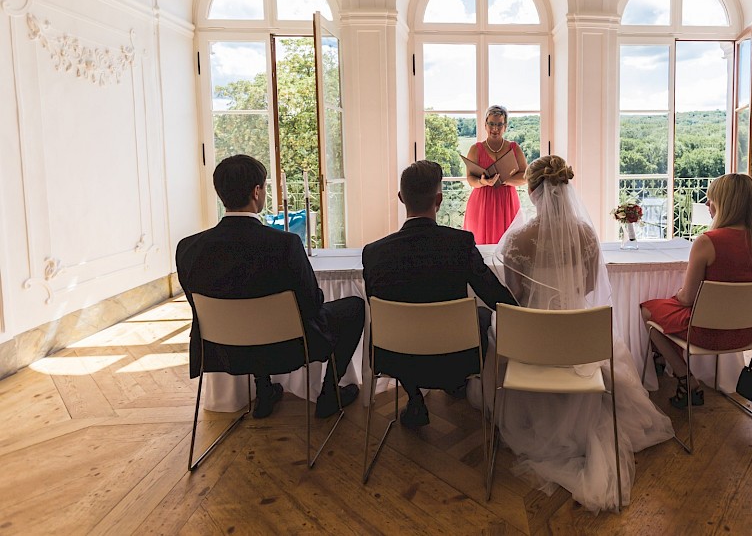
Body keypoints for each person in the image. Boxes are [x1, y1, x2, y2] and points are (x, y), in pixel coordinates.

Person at [492, 155, 673, 513]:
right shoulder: (586, 234)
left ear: (531, 191)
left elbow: (513, 295)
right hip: (580, 342)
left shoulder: (518, 238)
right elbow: (590, 286)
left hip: (534, 344)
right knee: (601, 345)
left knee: (496, 334)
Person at [177, 155, 364, 419]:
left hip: (221, 350)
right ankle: (329, 395)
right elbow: (312, 304)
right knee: (354, 307)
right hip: (289, 348)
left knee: (246, 314)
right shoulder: (284, 244)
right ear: (257, 191)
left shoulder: (188, 248)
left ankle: (264, 391)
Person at [362, 160, 517, 429]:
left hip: (395, 357)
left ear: (401, 198)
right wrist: (526, 312)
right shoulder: (459, 244)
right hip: (456, 357)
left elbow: (375, 303)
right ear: (439, 200)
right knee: (480, 315)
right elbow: (494, 296)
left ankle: (414, 396)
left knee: (398, 319)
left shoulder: (374, 253)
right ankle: (456, 384)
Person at [641, 173, 752, 409]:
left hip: (708, 333)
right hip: (747, 333)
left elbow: (687, 299)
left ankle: (685, 377)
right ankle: (675, 371)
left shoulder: (707, 241)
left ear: (726, 204)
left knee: (648, 311)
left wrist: (676, 295)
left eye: (711, 199)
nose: (707, 204)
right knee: (671, 314)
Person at [463, 105, 528, 244]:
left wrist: (505, 180)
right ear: (485, 125)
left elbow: (525, 176)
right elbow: (470, 179)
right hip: (482, 202)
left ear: (505, 126)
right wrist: (483, 182)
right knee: (481, 248)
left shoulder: (514, 148)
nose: (495, 128)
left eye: (499, 124)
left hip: (507, 201)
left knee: (509, 247)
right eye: (491, 124)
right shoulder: (476, 149)